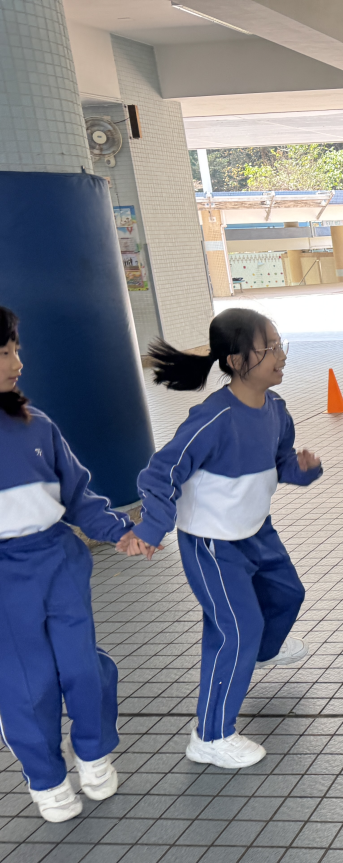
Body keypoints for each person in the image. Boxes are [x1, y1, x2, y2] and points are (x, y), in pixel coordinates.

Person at [124, 309, 323, 769]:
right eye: (269, 347)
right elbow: (161, 473)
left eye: (280, 344)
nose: (280, 355)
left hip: (255, 530)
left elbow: (280, 462)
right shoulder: (213, 418)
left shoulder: (276, 409)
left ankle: (261, 652)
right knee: (235, 629)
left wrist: (302, 470)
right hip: (212, 542)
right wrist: (151, 528)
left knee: (288, 594)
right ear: (235, 361)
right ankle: (210, 736)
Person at [0, 307, 131, 822]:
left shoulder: (37, 425)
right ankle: (47, 779)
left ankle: (93, 753)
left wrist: (121, 531)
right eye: (5, 352)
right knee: (27, 683)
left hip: (59, 561)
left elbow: (77, 494)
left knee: (83, 666)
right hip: (5, 579)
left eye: (16, 349)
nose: (18, 362)